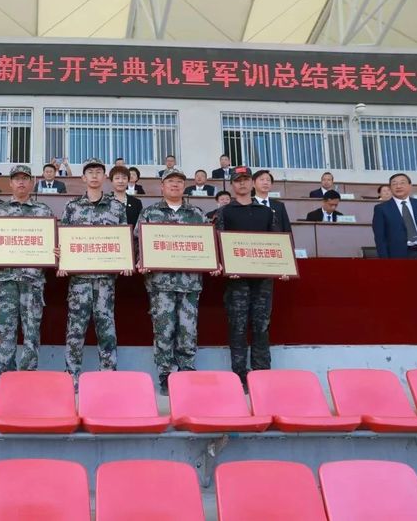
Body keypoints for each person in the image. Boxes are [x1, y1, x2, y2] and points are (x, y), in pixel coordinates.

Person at [136, 168, 210, 395]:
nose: (175, 185)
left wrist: (213, 260)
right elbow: (139, 243)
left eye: (179, 181)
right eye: (170, 181)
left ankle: (187, 372)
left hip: (189, 284)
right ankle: (166, 376)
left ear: (184, 186)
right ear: (162, 186)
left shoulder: (197, 214)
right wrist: (141, 260)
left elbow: (207, 244)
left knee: (188, 330)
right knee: (164, 330)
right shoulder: (150, 213)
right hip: (161, 284)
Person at [59, 159, 130, 388]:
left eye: (99, 172)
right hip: (79, 280)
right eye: (90, 172)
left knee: (106, 327)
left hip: (105, 279)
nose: (94, 175)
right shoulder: (72, 206)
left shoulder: (116, 207)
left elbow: (124, 240)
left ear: (104, 177)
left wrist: (125, 260)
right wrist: (62, 260)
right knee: (75, 329)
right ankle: (72, 376)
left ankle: (107, 375)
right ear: (83, 178)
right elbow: (63, 239)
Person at [0, 165, 54, 375]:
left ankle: (27, 378)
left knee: (32, 329)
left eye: (25, 178)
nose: (21, 182)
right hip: (6, 279)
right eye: (17, 178)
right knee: (6, 329)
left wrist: (54, 250)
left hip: (32, 279)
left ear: (32, 182)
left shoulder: (43, 211)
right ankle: (7, 377)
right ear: (10, 183)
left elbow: (51, 242)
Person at [215, 166, 282, 389]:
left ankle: (262, 374)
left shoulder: (267, 212)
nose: (242, 184)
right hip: (237, 279)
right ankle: (240, 375)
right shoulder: (225, 212)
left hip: (263, 279)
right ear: (231, 185)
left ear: (252, 183)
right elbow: (218, 243)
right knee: (238, 326)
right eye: (237, 180)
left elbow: (278, 242)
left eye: (245, 179)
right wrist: (226, 266)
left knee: (262, 325)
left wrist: (282, 265)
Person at [373, 173, 417, 259]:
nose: (398, 186)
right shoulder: (381, 209)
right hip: (397, 256)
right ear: (390, 188)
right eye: (394, 184)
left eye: (402, 183)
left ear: (410, 186)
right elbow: (380, 238)